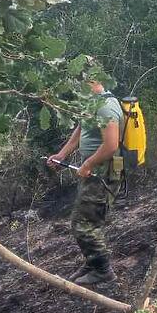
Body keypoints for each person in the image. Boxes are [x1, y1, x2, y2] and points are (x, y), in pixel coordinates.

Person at [47, 77, 125, 285]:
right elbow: (81, 129)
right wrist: (62, 154)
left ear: (92, 81)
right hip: (94, 170)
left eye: (79, 83)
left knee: (83, 223)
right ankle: (93, 262)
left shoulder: (106, 107)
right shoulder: (93, 103)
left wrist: (88, 165)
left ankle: (102, 270)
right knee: (89, 219)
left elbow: (110, 145)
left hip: (102, 172)